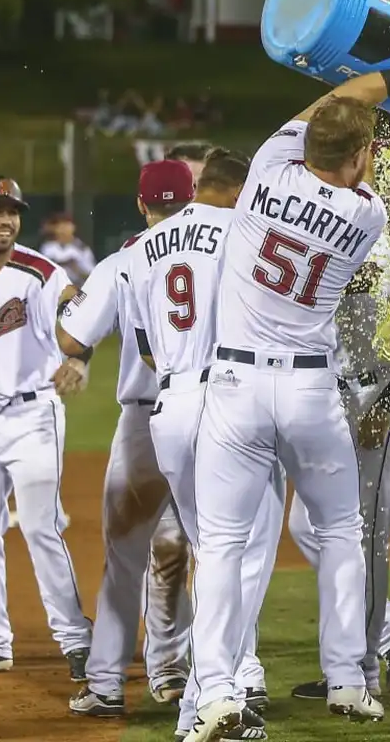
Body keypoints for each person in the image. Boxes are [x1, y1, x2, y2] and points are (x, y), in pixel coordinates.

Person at [183, 32, 390, 741]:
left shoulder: (268, 166)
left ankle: (214, 690)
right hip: (310, 391)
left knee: (221, 541)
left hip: (237, 383)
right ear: (363, 156)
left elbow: (342, 99)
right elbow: (346, 119)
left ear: (306, 144)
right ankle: (346, 677)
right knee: (340, 530)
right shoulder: (365, 213)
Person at [121, 156, 281, 742]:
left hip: (171, 408)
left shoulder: (142, 247)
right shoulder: (248, 231)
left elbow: (144, 348)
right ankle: (217, 694)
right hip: (230, 403)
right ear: (239, 190)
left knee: (214, 555)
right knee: (245, 553)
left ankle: (206, 708)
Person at [58, 161, 226, 717]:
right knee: (211, 551)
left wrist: (64, 306)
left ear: (140, 205)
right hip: (216, 416)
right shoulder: (225, 243)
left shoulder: (126, 258)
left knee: (126, 556)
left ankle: (106, 683)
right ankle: (207, 679)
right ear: (193, 198)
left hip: (145, 420)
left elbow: (72, 333)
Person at [287, 223, 390, 700]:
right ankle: (382, 637)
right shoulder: (332, 229)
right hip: (348, 393)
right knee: (315, 525)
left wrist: (384, 404)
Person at [0, 175, 91, 680]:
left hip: (32, 416)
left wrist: (78, 359)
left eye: (12, 210)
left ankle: (77, 640)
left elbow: (78, 314)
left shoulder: (40, 273)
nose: (6, 220)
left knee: (40, 528)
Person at [40, 211, 97, 288]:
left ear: (73, 227)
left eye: (66, 225)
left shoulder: (81, 248)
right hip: (54, 289)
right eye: (60, 226)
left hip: (77, 290)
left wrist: (76, 268)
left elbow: (92, 276)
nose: (63, 229)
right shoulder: (48, 247)